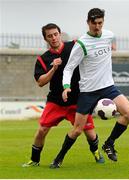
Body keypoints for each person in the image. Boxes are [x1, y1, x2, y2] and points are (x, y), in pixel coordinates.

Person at [51, 8, 129, 166]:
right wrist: (66, 86)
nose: (97, 27)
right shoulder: (82, 44)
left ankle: (109, 143)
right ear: (88, 22)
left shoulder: (109, 35)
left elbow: (108, 45)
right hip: (88, 91)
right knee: (77, 130)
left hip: (108, 86)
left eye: (100, 23)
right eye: (94, 23)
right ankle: (59, 157)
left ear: (103, 22)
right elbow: (69, 68)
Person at [22, 23, 104, 168]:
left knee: (90, 133)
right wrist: (53, 68)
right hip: (56, 101)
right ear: (45, 39)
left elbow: (91, 51)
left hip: (78, 100)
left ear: (60, 34)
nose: (53, 38)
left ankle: (96, 151)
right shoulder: (43, 59)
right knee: (42, 130)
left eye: (55, 34)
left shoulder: (74, 46)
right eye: (49, 36)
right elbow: (40, 82)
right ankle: (34, 160)